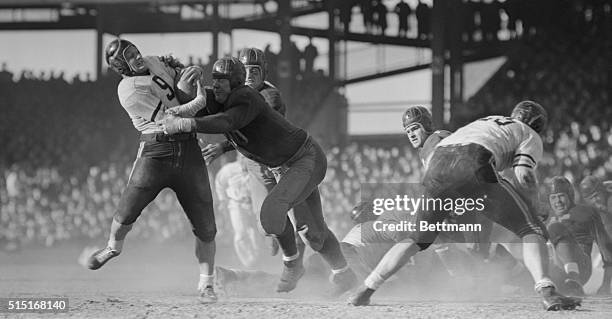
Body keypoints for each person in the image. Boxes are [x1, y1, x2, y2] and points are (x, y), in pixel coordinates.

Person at [348, 101, 582, 311]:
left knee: (416, 239)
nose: (412, 134)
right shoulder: (529, 133)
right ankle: (548, 291)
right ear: (538, 124)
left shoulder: (485, 121)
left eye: (414, 128)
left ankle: (366, 289)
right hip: (473, 164)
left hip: (437, 168)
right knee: (530, 229)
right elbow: (523, 174)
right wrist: (534, 204)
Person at [159, 57, 357, 295]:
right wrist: (181, 80)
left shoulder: (248, 97)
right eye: (216, 80)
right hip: (282, 166)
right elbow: (192, 101)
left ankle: (292, 264)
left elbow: (227, 121)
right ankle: (344, 274)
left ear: (237, 82)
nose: (218, 85)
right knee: (311, 233)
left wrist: (185, 124)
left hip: (304, 160)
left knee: (271, 213)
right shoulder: (218, 96)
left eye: (224, 81)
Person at [86, 39, 218, 303]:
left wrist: (186, 72)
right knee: (126, 213)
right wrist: (196, 94)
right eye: (130, 56)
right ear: (120, 66)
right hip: (156, 150)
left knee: (206, 226)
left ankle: (207, 284)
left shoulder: (152, 62)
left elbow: (172, 67)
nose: (137, 57)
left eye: (136, 51)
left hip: (188, 149)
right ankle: (113, 247)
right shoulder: (129, 90)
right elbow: (173, 116)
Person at [546, 176, 612, 296]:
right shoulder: (546, 217)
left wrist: (606, 284)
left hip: (581, 268)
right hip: (554, 270)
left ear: (570, 196)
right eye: (553, 197)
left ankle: (573, 280)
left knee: (556, 228)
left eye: (561, 196)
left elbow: (607, 249)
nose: (558, 201)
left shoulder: (586, 212)